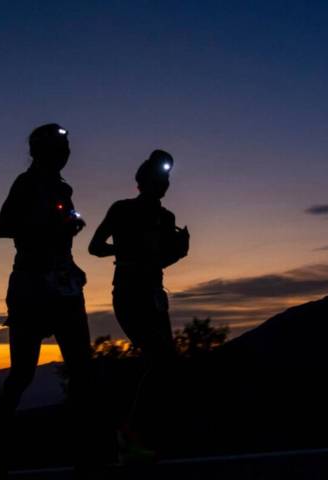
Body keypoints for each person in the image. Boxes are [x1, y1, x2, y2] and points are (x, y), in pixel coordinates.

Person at [0, 124, 93, 474]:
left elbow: (61, 235)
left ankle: (87, 450)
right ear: (41, 152)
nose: (65, 153)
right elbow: (4, 227)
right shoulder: (26, 183)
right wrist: (51, 227)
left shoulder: (63, 188)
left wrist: (70, 253)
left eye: (65, 147)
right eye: (58, 147)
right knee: (22, 373)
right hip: (32, 284)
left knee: (82, 369)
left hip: (62, 282)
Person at [88, 149, 189, 461]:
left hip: (155, 293)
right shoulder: (121, 210)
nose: (164, 184)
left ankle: (148, 435)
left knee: (166, 363)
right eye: (160, 178)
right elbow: (94, 247)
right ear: (143, 181)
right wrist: (125, 250)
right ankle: (126, 434)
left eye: (167, 179)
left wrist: (178, 252)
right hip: (130, 292)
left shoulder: (167, 218)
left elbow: (160, 260)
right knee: (161, 360)